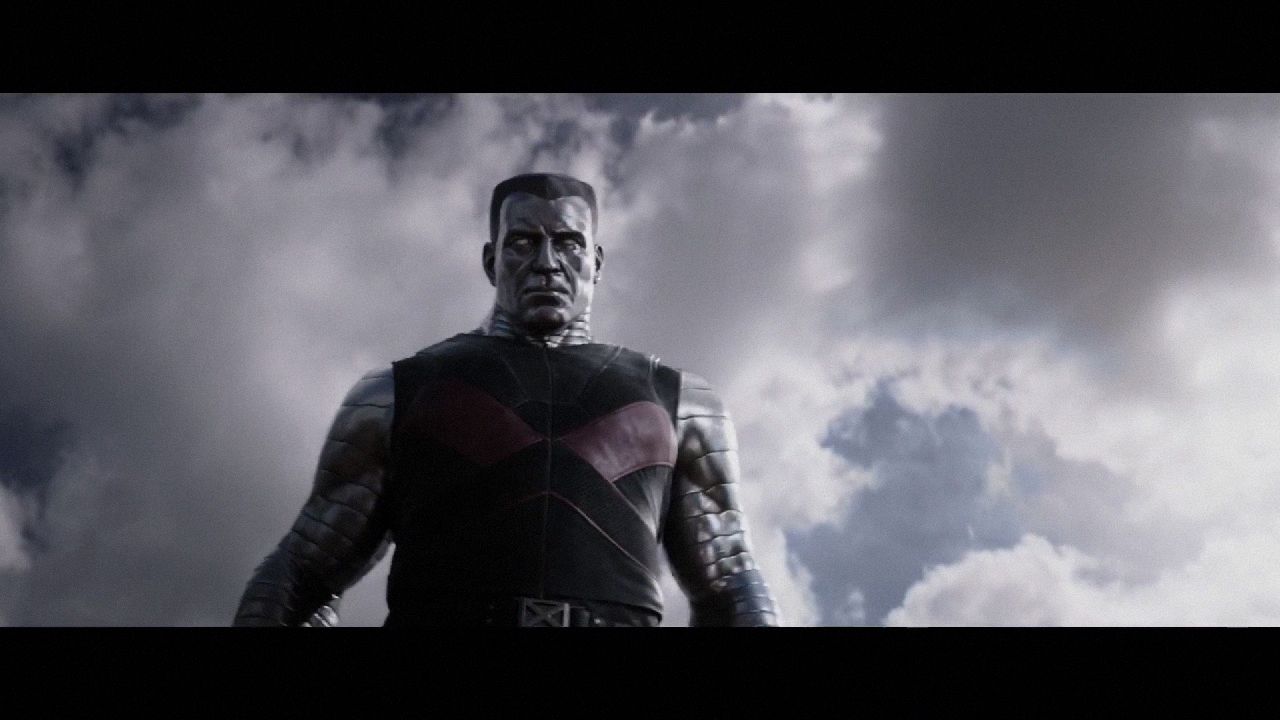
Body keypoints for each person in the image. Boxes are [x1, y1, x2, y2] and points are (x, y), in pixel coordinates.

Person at [233, 173, 779, 627]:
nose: (547, 262)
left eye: (568, 243)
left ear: (596, 261)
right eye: (522, 242)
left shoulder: (682, 403)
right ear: (491, 260)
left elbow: (729, 582)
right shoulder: (397, 393)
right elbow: (301, 572)